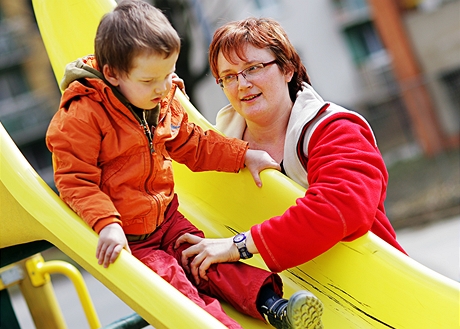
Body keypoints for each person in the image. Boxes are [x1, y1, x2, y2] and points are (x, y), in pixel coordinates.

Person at [46, 2, 322, 329]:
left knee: (209, 259)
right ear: (112, 74)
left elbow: (193, 142)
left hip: (167, 219)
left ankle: (274, 306)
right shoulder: (81, 116)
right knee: (176, 285)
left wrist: (242, 154)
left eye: (167, 75)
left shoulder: (157, 99)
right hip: (132, 238)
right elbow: (75, 180)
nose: (164, 88)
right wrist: (107, 224)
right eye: (151, 80)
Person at [177, 16, 407, 286]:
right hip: (280, 299)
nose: (242, 84)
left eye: (253, 68)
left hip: (373, 291)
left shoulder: (333, 129)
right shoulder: (217, 147)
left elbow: (341, 207)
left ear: (287, 69)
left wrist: (239, 245)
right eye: (228, 77)